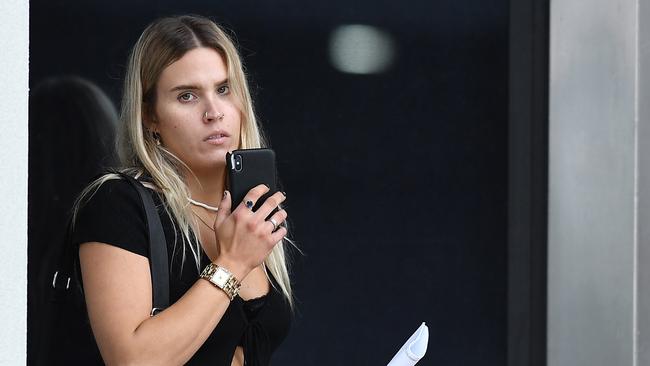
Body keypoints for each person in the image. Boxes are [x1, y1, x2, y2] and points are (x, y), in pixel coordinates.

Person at [68, 15, 294, 365]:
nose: (214, 112)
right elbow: (132, 360)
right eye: (187, 96)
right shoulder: (117, 203)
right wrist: (232, 263)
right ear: (150, 117)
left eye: (223, 89)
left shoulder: (249, 203)